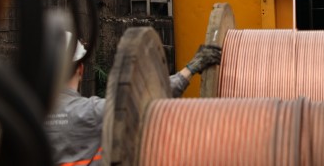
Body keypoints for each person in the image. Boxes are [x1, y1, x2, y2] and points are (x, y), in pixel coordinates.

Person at [45, 33, 221, 166]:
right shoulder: (91, 112)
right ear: (81, 69)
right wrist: (190, 69)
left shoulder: (26, 115)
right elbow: (148, 99)